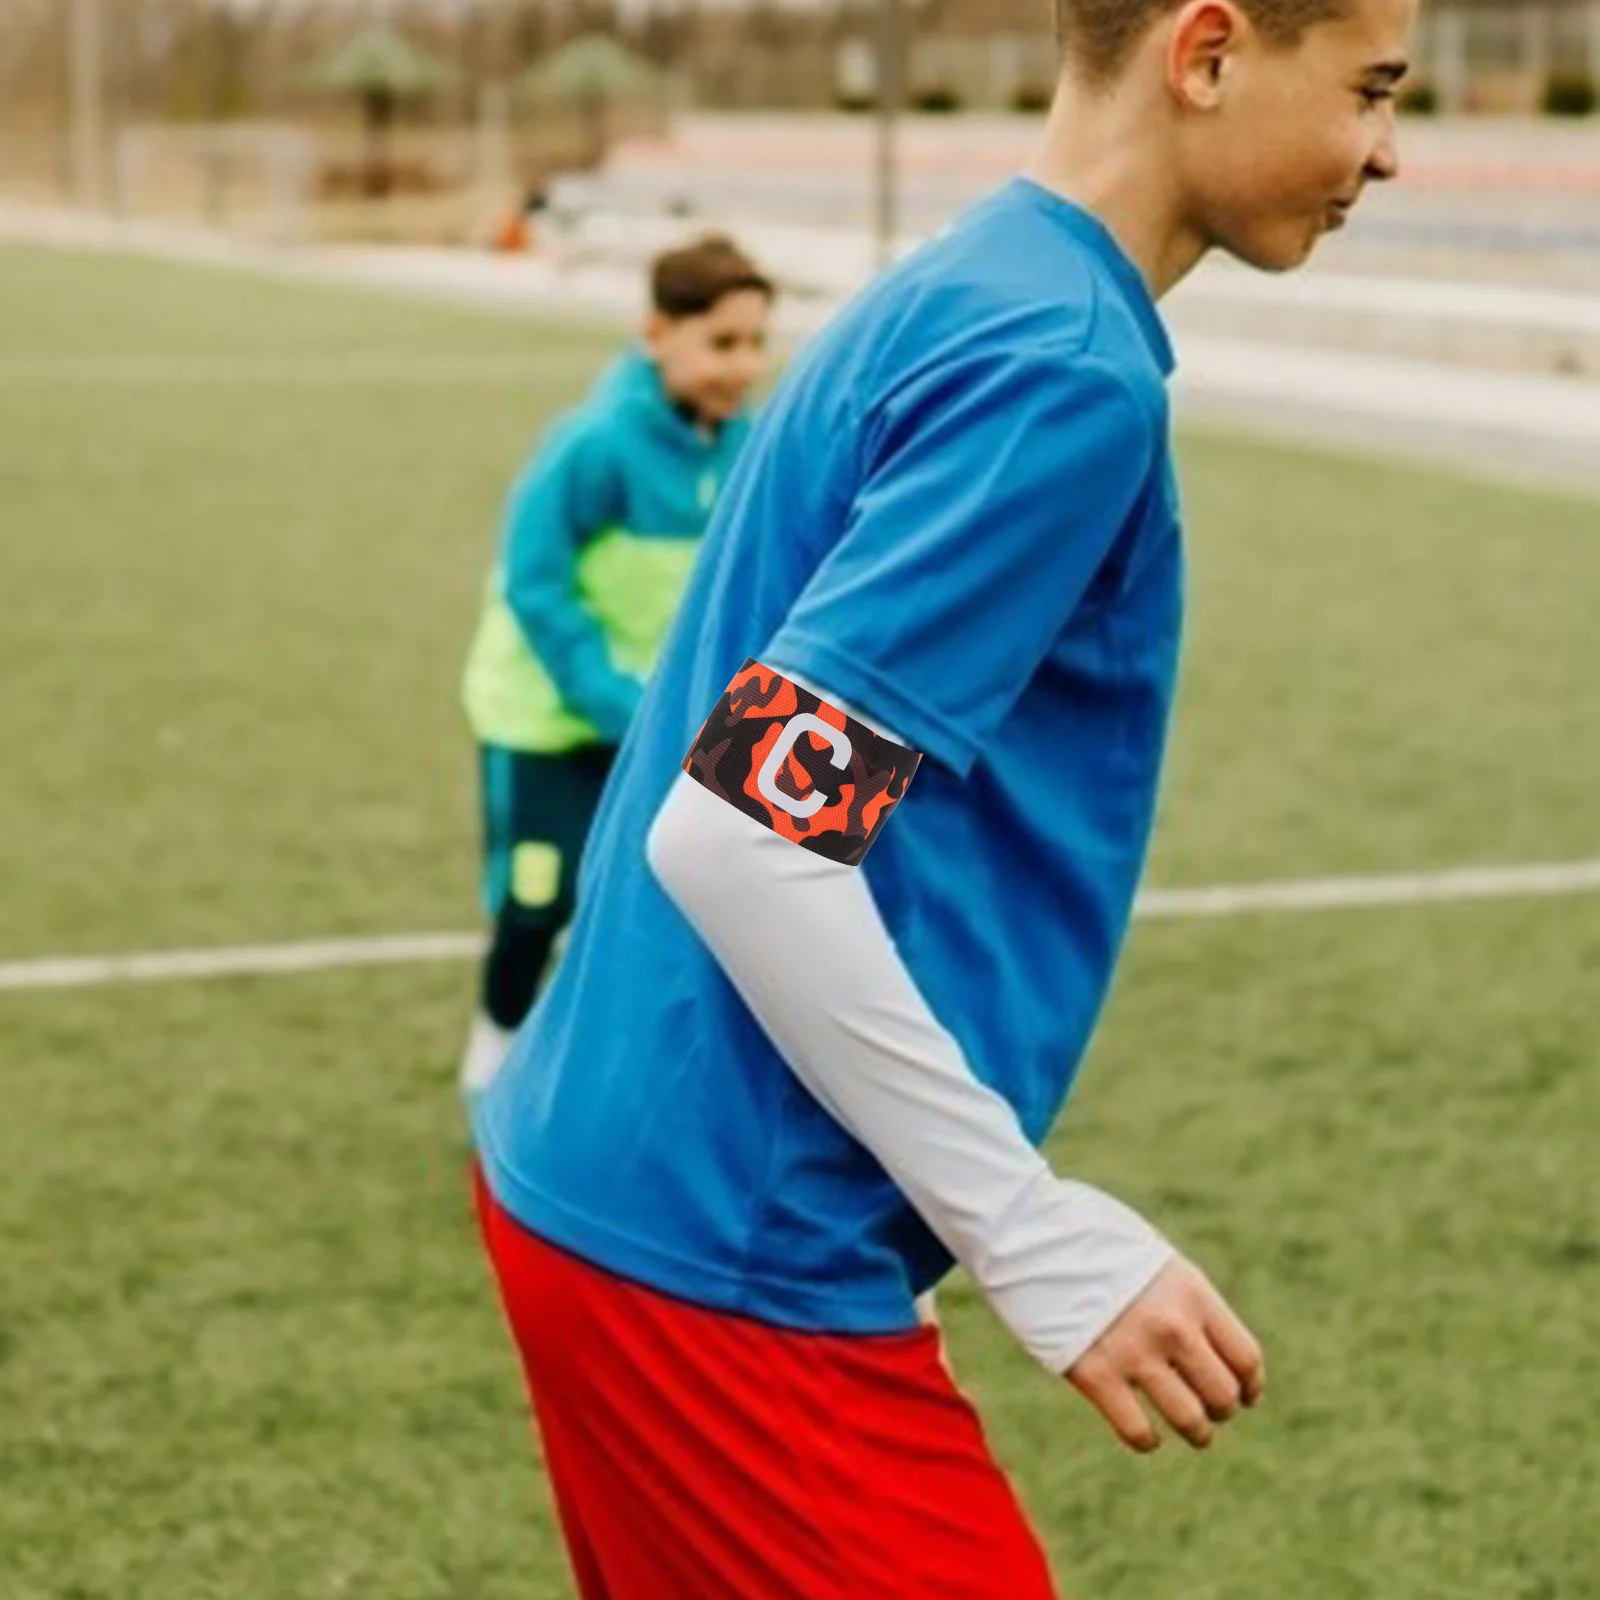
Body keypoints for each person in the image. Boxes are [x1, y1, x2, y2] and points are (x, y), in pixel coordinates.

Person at [473, 0, 1414, 1593]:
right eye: (1373, 92)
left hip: (639, 1179)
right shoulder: (1062, 370)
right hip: (724, 1238)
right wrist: (1025, 1229)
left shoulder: (975, 283)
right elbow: (743, 836)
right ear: (1208, 52)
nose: (1388, 151)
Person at [458, 234, 775, 1095]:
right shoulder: (590, 447)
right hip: (551, 718)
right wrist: (617, 703)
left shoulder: (752, 449)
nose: (744, 365)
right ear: (656, 333)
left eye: (756, 342)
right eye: (722, 343)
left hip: (678, 719)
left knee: (715, 896)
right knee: (537, 903)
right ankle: (496, 1056)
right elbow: (535, 585)